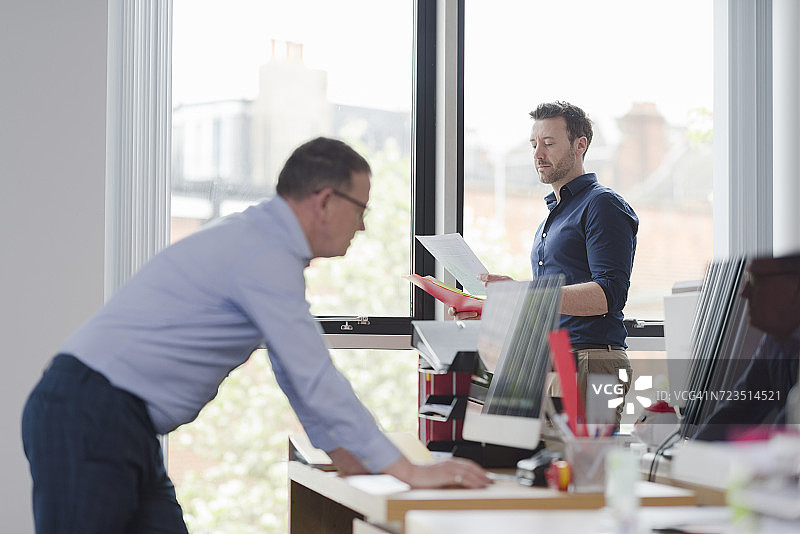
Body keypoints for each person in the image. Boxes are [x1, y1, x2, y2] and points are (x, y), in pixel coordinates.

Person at [21, 137, 490, 534]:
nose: (363, 225)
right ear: (325, 200)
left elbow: (293, 373)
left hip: (112, 418)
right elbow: (313, 375)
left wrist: (351, 458)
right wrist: (407, 470)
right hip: (91, 414)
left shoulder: (261, 241)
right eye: (361, 209)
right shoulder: (264, 255)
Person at [452, 101, 639, 425]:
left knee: (580, 468)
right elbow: (551, 304)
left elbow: (607, 295)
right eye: (534, 144)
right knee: (542, 468)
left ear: (580, 145)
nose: (538, 154)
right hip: (555, 360)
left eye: (549, 143)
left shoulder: (601, 205)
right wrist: (494, 307)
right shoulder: (552, 218)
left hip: (592, 362)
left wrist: (525, 292)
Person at [695, 253, 800, 441]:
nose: (744, 292)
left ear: (794, 286)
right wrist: (692, 453)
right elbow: (738, 410)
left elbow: (787, 437)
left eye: (754, 279)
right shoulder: (774, 340)